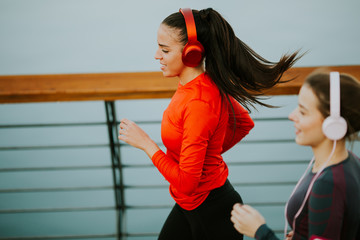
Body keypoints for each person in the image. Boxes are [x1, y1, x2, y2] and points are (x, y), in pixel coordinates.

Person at [118, 7, 301, 240]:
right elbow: (244, 123)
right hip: (191, 204)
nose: (156, 55)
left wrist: (146, 144)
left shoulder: (199, 102)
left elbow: (186, 183)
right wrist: (203, 155)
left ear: (191, 53)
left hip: (210, 210)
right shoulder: (202, 84)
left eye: (164, 49)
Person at [231, 70, 360, 240]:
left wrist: (259, 231)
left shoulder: (328, 184)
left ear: (332, 124)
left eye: (303, 112)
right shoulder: (351, 161)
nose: (292, 116)